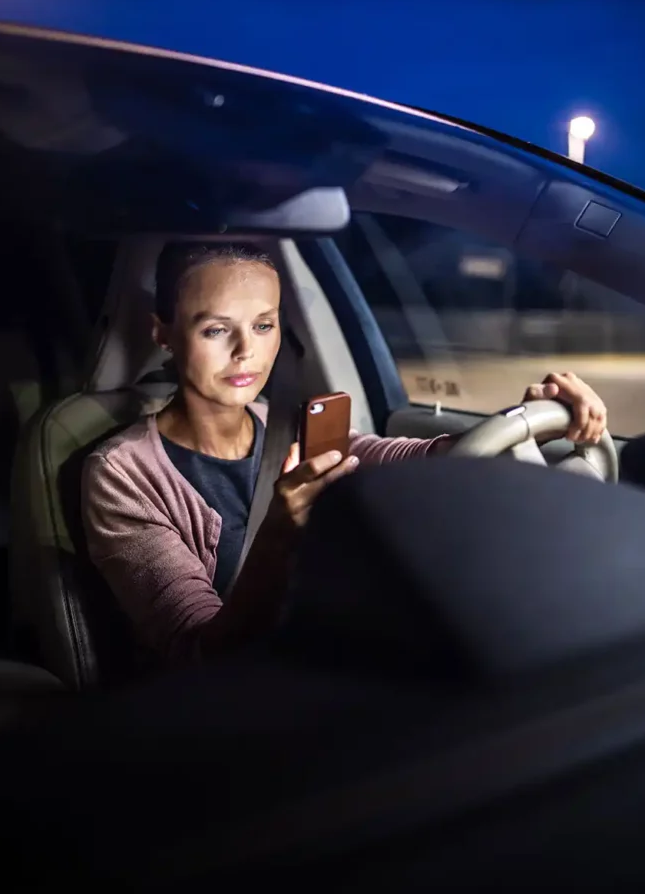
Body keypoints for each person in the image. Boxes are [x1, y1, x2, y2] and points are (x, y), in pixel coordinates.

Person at [82, 242, 607, 666]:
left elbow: (417, 456)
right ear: (164, 334)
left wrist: (524, 423)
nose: (246, 351)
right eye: (216, 329)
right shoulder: (122, 472)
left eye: (263, 325)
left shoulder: (292, 427)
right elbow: (198, 654)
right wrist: (278, 538)